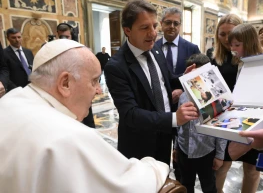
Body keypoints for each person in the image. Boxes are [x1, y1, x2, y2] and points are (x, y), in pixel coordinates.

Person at [0, 39, 171, 193]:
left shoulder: (11, 99)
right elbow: (127, 185)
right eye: (94, 81)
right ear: (65, 83)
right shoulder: (67, 136)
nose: (99, 91)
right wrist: (155, 167)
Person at [104, 0, 198, 165]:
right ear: (127, 30)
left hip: (164, 136)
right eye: (145, 28)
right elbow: (130, 114)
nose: (153, 33)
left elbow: (166, 80)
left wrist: (185, 77)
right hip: (139, 144)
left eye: (154, 26)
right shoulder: (116, 67)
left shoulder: (155, 50)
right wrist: (174, 118)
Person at [225, 23, 263, 193]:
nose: (233, 49)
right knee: (231, 160)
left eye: (237, 45)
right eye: (231, 45)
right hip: (241, 116)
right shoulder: (241, 61)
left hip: (261, 119)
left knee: (252, 167)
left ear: (249, 42)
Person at [176, 53, 227, 193]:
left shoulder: (217, 98)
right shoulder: (183, 96)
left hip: (206, 150)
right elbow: (180, 124)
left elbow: (221, 126)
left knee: (209, 185)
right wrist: (176, 146)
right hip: (184, 149)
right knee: (186, 183)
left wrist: (219, 155)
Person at [210, 14, 243, 193]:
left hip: (246, 115)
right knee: (222, 164)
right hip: (223, 117)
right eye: (221, 34)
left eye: (229, 34)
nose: (225, 39)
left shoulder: (249, 56)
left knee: (251, 169)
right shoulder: (215, 58)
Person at [156, 7, 200, 76]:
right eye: (168, 22)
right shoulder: (153, 47)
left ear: (180, 26)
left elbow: (199, 73)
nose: (172, 26)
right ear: (161, 24)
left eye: (176, 23)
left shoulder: (192, 49)